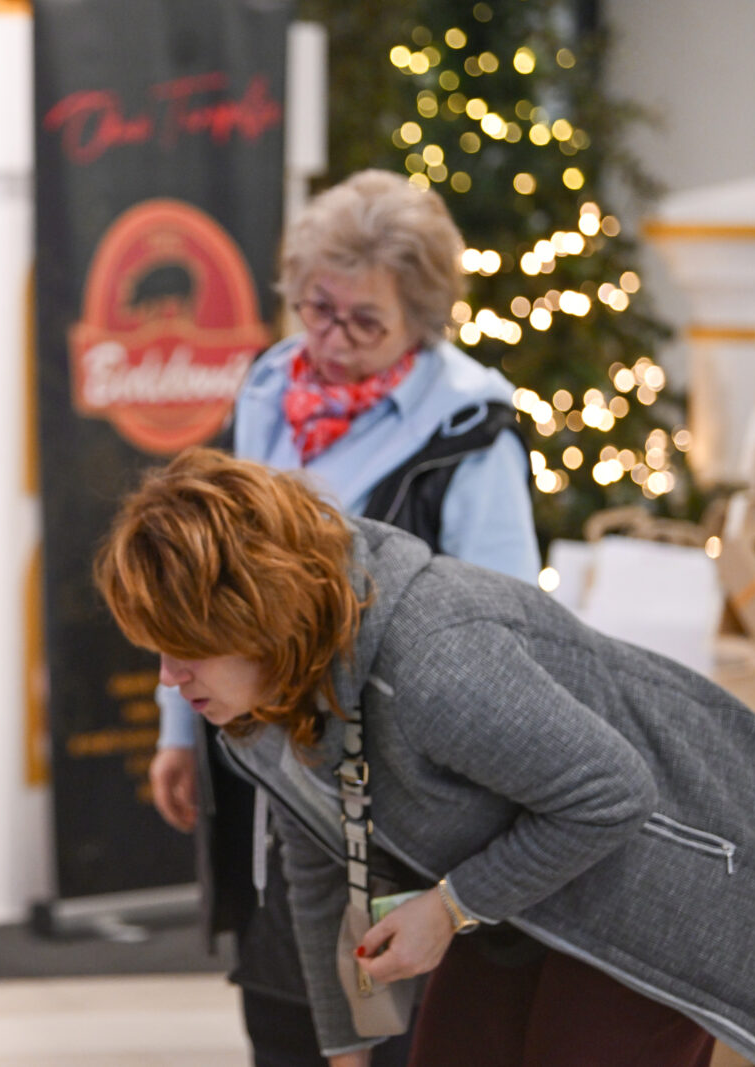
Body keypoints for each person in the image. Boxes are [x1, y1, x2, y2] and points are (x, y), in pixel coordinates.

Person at [99, 448, 755, 1067]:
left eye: (188, 646)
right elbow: (327, 880)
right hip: (521, 889)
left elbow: (614, 794)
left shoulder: (433, 660)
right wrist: (348, 1052)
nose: (168, 675)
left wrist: (447, 908)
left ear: (261, 616)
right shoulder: (262, 705)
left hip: (661, 876)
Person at [150, 169, 538, 1066]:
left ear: (423, 320)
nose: (330, 340)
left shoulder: (470, 431)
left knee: (393, 1027)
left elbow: (499, 631)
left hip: (396, 810)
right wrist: (179, 725)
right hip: (264, 781)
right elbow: (206, 587)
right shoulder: (267, 386)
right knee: (284, 1008)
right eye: (316, 308)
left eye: (366, 323)